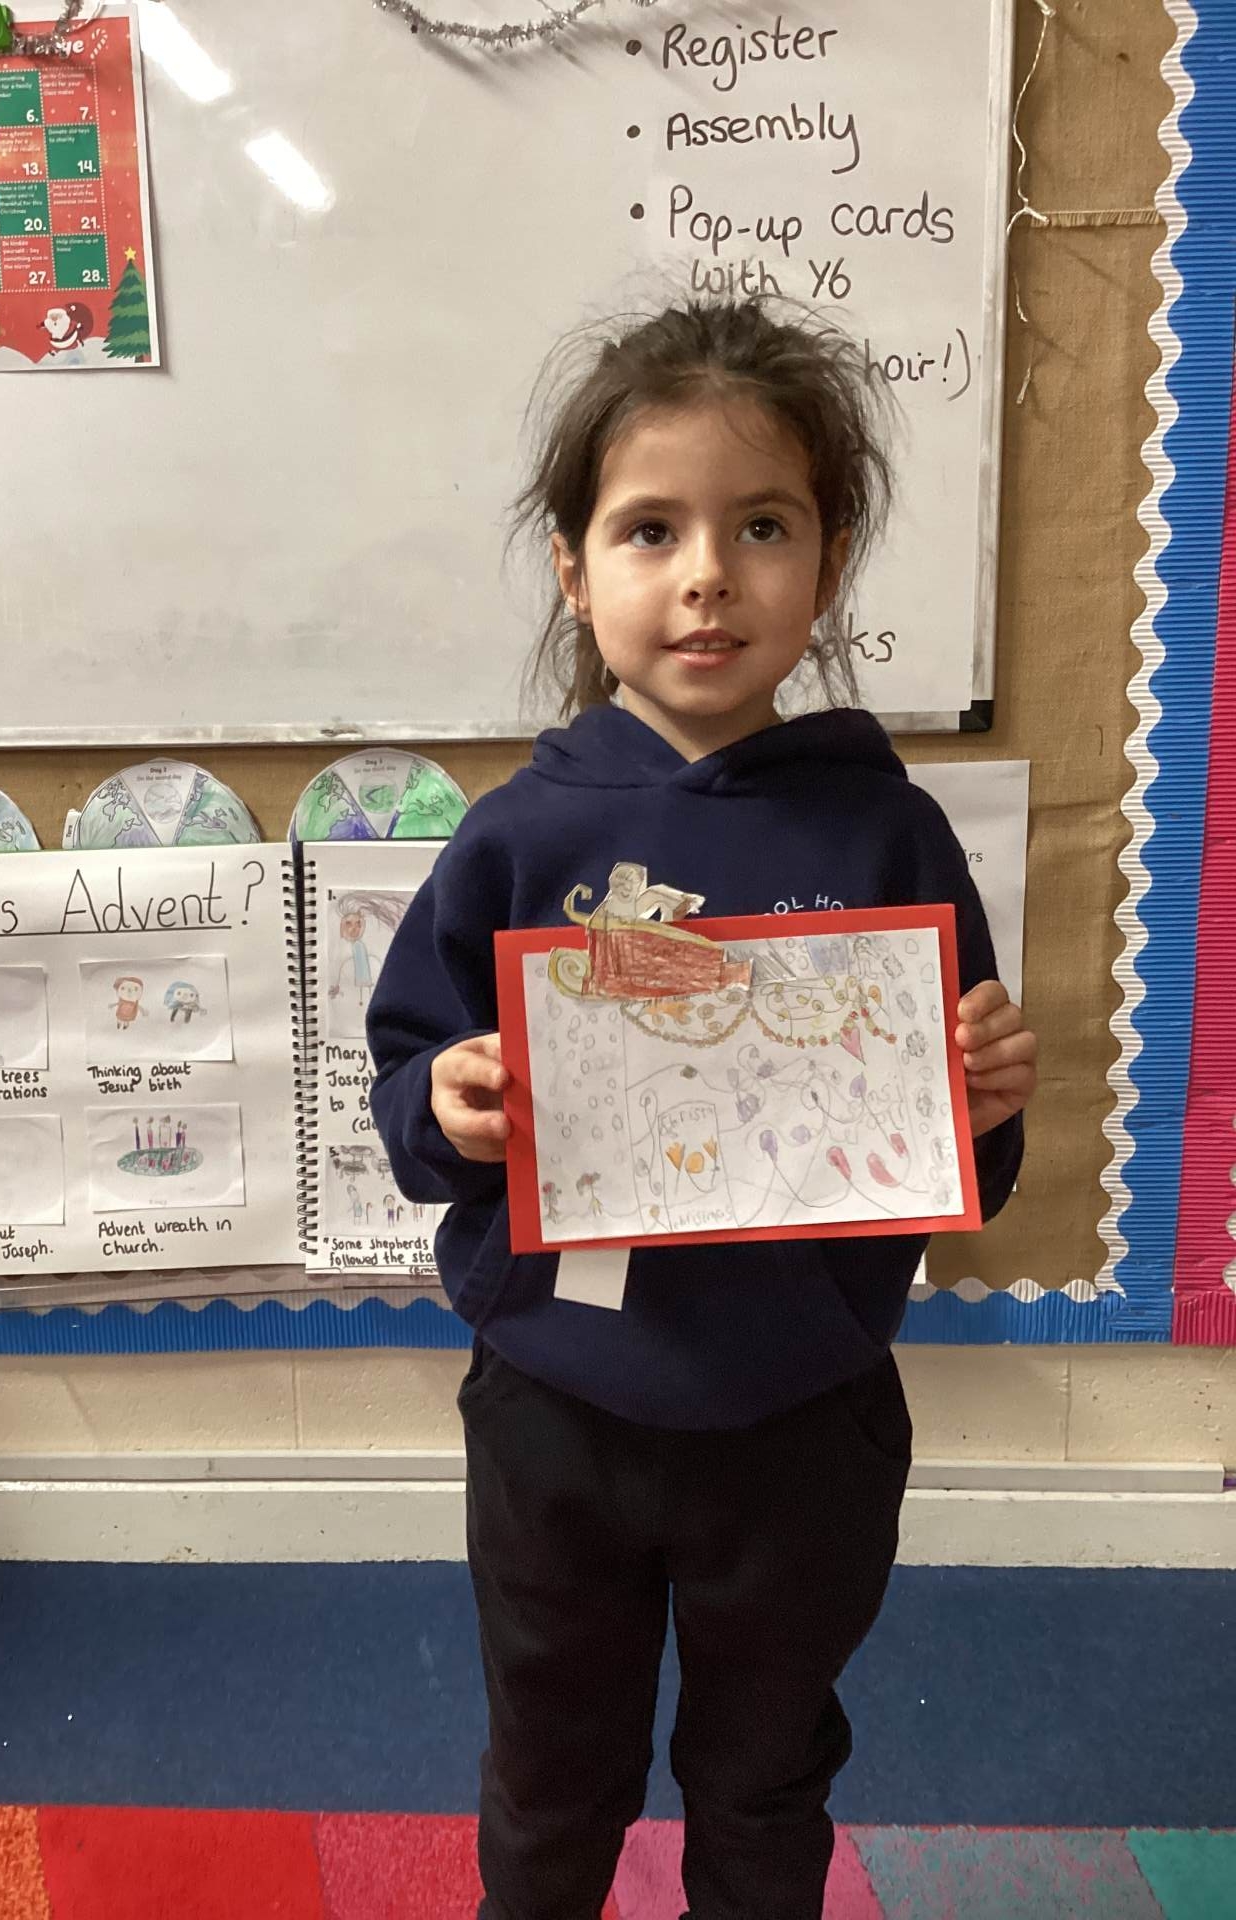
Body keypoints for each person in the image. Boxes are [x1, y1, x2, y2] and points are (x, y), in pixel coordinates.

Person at [366, 298, 1037, 1920]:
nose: (708, 576)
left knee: (765, 1772)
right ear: (572, 566)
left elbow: (968, 1166)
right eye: (651, 529)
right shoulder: (517, 838)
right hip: (559, 1410)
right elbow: (408, 1098)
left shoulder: (886, 837)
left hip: (803, 1417)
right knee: (553, 1771)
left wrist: (981, 1097)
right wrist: (447, 1104)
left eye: (764, 527)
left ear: (832, 557)